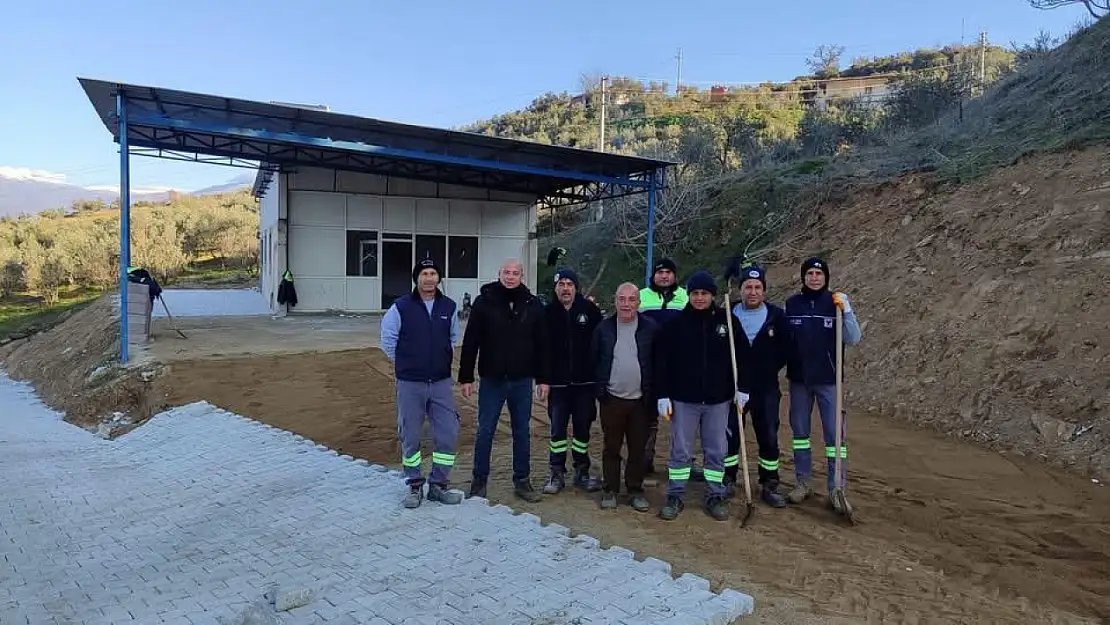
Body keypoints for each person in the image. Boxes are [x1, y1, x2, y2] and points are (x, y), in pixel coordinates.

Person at [653, 271, 746, 521]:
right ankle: (675, 495)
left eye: (704, 293)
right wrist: (663, 395)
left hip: (719, 399)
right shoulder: (676, 325)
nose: (700, 298)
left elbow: (743, 358)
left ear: (712, 296)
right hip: (684, 399)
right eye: (695, 293)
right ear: (689, 295)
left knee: (716, 450)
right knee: (681, 450)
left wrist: (742, 388)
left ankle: (715, 495)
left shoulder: (727, 321)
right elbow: (661, 363)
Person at [458, 258, 550, 503]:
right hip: (492, 380)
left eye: (515, 273)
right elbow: (471, 342)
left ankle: (522, 481)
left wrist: (543, 379)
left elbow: (542, 345)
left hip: (522, 381)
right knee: (485, 430)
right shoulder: (484, 303)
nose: (511, 276)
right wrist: (466, 377)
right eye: (507, 272)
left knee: (522, 432)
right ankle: (479, 481)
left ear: (522, 276)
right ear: (499, 274)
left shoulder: (533, 304)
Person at [379, 258, 464, 508]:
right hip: (410, 383)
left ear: (439, 278)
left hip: (440, 382)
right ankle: (414, 485)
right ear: (417, 279)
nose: (429, 278)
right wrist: (408, 363)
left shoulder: (448, 307)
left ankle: (438, 485)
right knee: (411, 435)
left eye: (433, 273)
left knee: (448, 433)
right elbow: (388, 341)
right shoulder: (401, 307)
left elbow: (452, 339)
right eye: (424, 274)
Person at [783, 257, 863, 512]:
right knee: (800, 435)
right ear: (803, 277)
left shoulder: (835, 303)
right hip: (799, 380)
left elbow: (853, 338)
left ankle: (836, 487)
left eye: (819, 273)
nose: (814, 277)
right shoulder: (792, 304)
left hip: (829, 381)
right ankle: (803, 482)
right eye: (810, 273)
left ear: (826, 277)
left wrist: (847, 311)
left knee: (834, 436)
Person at [725, 263, 791, 508]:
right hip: (733, 387)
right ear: (740, 289)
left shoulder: (776, 316)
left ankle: (770, 483)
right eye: (747, 287)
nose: (752, 292)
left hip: (765, 388)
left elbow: (786, 350)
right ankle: (727, 479)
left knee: (769, 436)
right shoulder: (728, 314)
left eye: (757, 287)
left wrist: (767, 368)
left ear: (764, 291)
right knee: (730, 435)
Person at [591, 282, 658, 512]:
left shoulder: (650, 328)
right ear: (615, 301)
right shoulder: (603, 329)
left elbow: (658, 362)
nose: (626, 304)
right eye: (622, 299)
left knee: (638, 449)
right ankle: (610, 489)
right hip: (612, 399)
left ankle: (635, 490)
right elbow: (595, 361)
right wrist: (599, 392)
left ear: (638, 303)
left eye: (631, 299)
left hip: (641, 401)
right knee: (611, 448)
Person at [542, 268, 604, 494]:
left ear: (576, 288)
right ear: (555, 288)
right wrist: (543, 380)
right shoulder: (546, 313)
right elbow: (540, 350)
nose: (565, 288)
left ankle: (582, 471)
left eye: (569, 284)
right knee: (557, 431)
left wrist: (598, 379)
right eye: (561, 284)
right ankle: (556, 472)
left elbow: (601, 346)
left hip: (584, 385)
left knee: (582, 431)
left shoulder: (590, 311)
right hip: (557, 386)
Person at [637, 257, 689, 483]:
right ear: (654, 275)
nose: (664, 276)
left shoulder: (686, 297)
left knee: (682, 418)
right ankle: (644, 461)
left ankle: (682, 462)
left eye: (669, 272)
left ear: (675, 275)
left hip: (678, 367)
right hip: (647, 367)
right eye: (660, 272)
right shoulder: (642, 297)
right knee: (647, 417)